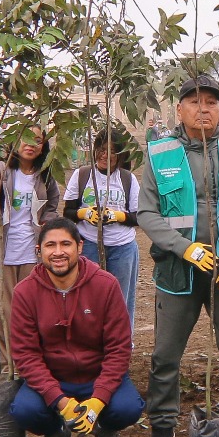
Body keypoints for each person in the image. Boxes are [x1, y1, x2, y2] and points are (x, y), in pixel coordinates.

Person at [136, 76, 219, 437]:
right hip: (179, 273)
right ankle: (162, 423)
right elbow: (147, 213)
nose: (203, 108)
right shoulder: (159, 153)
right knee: (165, 354)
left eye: (211, 101)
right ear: (179, 109)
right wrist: (184, 248)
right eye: (194, 101)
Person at [9, 217, 144, 437]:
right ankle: (56, 432)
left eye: (65, 244)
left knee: (129, 408)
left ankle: (103, 426)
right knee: (24, 411)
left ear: (80, 247)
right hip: (54, 376)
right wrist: (60, 400)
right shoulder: (25, 292)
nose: (58, 252)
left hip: (97, 375)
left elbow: (119, 348)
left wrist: (99, 398)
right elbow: (26, 355)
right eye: (50, 245)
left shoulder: (106, 285)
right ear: (39, 251)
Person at [0, 126, 61, 368]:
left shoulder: (45, 175)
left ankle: (31, 366)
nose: (31, 144)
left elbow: (53, 205)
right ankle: (8, 368)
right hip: (1, 255)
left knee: (31, 312)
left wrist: (48, 221)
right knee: (4, 314)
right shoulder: (0, 171)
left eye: (38, 140)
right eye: (26, 138)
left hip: (31, 254)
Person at [62, 128, 141, 326]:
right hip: (88, 244)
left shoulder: (127, 179)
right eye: (101, 149)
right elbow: (68, 211)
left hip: (122, 246)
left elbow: (138, 216)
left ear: (121, 155)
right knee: (87, 296)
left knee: (122, 297)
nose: (105, 155)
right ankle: (89, 342)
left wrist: (117, 216)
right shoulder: (82, 175)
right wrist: (84, 213)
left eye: (112, 150)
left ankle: (122, 343)